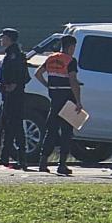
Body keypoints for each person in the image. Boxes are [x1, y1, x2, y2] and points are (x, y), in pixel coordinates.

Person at [33, 35, 82, 175]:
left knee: (51, 131)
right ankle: (62, 165)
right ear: (71, 47)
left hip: (54, 98)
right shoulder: (71, 61)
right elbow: (73, 81)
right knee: (67, 132)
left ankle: (43, 162)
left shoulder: (51, 58)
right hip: (67, 99)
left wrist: (48, 85)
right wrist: (78, 101)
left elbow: (38, 74)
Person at [0, 28, 30, 170]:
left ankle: (22, 159)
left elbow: (23, 76)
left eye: (3, 38)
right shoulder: (8, 54)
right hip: (6, 96)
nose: (1, 40)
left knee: (17, 126)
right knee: (7, 126)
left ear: (9, 39)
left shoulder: (16, 55)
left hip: (15, 96)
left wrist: (14, 85)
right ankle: (4, 157)